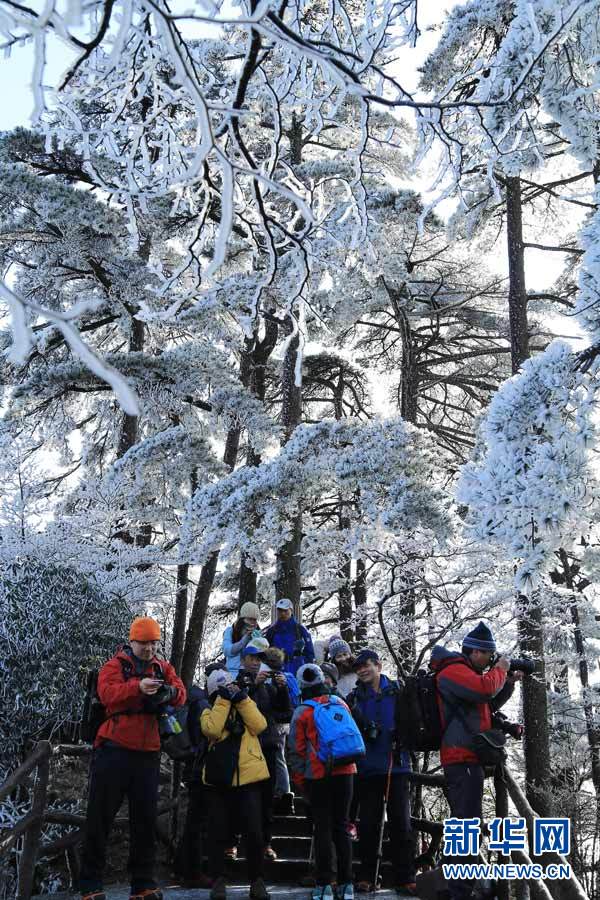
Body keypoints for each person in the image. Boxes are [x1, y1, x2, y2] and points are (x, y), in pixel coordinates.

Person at [79, 617, 186, 900]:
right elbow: (107, 693)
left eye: (153, 643)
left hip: (148, 752)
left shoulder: (163, 668)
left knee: (145, 820)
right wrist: (137, 687)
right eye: (144, 643)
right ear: (132, 642)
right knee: (100, 817)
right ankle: (90, 885)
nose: (149, 649)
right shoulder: (114, 666)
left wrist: (169, 691)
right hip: (113, 748)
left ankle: (143, 885)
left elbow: (181, 693)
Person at [431, 622, 521, 900]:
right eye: (488, 654)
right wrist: (501, 670)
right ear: (474, 652)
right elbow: (484, 691)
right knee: (469, 826)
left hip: (467, 758)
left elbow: (487, 705)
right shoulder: (453, 671)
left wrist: (507, 682)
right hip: (461, 758)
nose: (491, 658)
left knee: (463, 824)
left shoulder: (467, 674)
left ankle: (450, 886)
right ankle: (460, 891)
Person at [347, 649, 416, 896]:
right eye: (358, 668)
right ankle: (366, 876)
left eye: (366, 666)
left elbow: (413, 721)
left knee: (401, 824)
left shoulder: (398, 691)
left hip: (397, 765)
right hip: (367, 768)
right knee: (368, 825)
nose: (363, 671)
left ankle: (405, 877)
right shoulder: (354, 698)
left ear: (378, 665)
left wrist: (404, 736)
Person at [201, 668, 270, 900]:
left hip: (249, 779)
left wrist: (241, 699)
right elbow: (211, 730)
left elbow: (260, 725)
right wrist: (223, 700)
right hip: (218, 780)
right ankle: (218, 880)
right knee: (217, 832)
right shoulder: (208, 710)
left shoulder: (244, 705)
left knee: (254, 832)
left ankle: (257, 880)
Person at [288, 664, 356, 900]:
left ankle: (324, 885)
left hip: (318, 774)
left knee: (323, 828)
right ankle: (348, 885)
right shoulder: (340, 703)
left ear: (301, 685)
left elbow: (296, 751)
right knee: (342, 826)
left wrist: (300, 781)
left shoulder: (302, 711)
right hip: (346, 770)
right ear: (322, 679)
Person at [237, 643, 293, 860]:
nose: (255, 662)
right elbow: (235, 707)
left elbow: (284, 714)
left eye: (258, 659)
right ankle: (239, 842)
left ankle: (265, 843)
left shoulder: (270, 684)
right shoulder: (238, 682)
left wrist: (282, 689)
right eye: (251, 658)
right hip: (245, 747)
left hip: (268, 745)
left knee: (267, 798)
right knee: (245, 798)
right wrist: (252, 687)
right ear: (243, 661)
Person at [263, 646, 299, 815]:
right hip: (288, 721)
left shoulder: (269, 678)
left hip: (275, 722)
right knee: (281, 757)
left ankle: (282, 792)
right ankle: (284, 792)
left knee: (277, 758)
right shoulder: (289, 677)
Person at [265, 598, 315, 677]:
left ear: (291, 610)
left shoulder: (300, 629)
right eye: (280, 611)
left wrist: (306, 669)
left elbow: (310, 652)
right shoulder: (272, 630)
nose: (283, 613)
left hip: (297, 669)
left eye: (286, 610)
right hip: (277, 669)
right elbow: (266, 651)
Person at [222, 601, 261, 676]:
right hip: (232, 672)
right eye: (250, 619)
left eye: (255, 619)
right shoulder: (230, 631)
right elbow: (227, 650)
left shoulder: (257, 633)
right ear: (243, 618)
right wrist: (243, 641)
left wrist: (259, 642)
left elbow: (262, 656)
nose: (252, 622)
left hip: (252, 673)